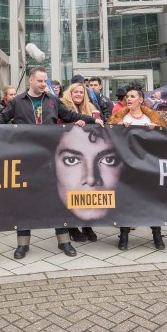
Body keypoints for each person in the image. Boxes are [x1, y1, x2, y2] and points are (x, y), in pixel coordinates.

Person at [0, 66, 102, 259]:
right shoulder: (17, 101)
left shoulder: (52, 100)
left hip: (50, 158)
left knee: (57, 200)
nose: (43, 84)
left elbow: (70, 116)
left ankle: (64, 241)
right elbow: (3, 116)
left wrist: (92, 120)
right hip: (26, 159)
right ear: (31, 80)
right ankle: (23, 244)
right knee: (24, 202)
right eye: (40, 81)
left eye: (45, 80)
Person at [110, 84, 167, 250]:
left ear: (141, 100)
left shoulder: (151, 118)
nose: (128, 99)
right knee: (126, 201)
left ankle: (156, 233)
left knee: (151, 200)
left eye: (132, 96)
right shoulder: (119, 118)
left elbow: (164, 138)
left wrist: (156, 130)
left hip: (148, 167)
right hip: (126, 166)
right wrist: (118, 128)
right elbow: (109, 139)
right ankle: (124, 235)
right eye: (127, 97)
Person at [62, 81, 103, 243]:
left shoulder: (90, 108)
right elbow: (58, 125)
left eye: (81, 92)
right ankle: (72, 226)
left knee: (86, 192)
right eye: (76, 92)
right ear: (70, 93)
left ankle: (87, 225)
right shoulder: (63, 106)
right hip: (70, 156)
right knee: (71, 191)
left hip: (88, 154)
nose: (79, 95)